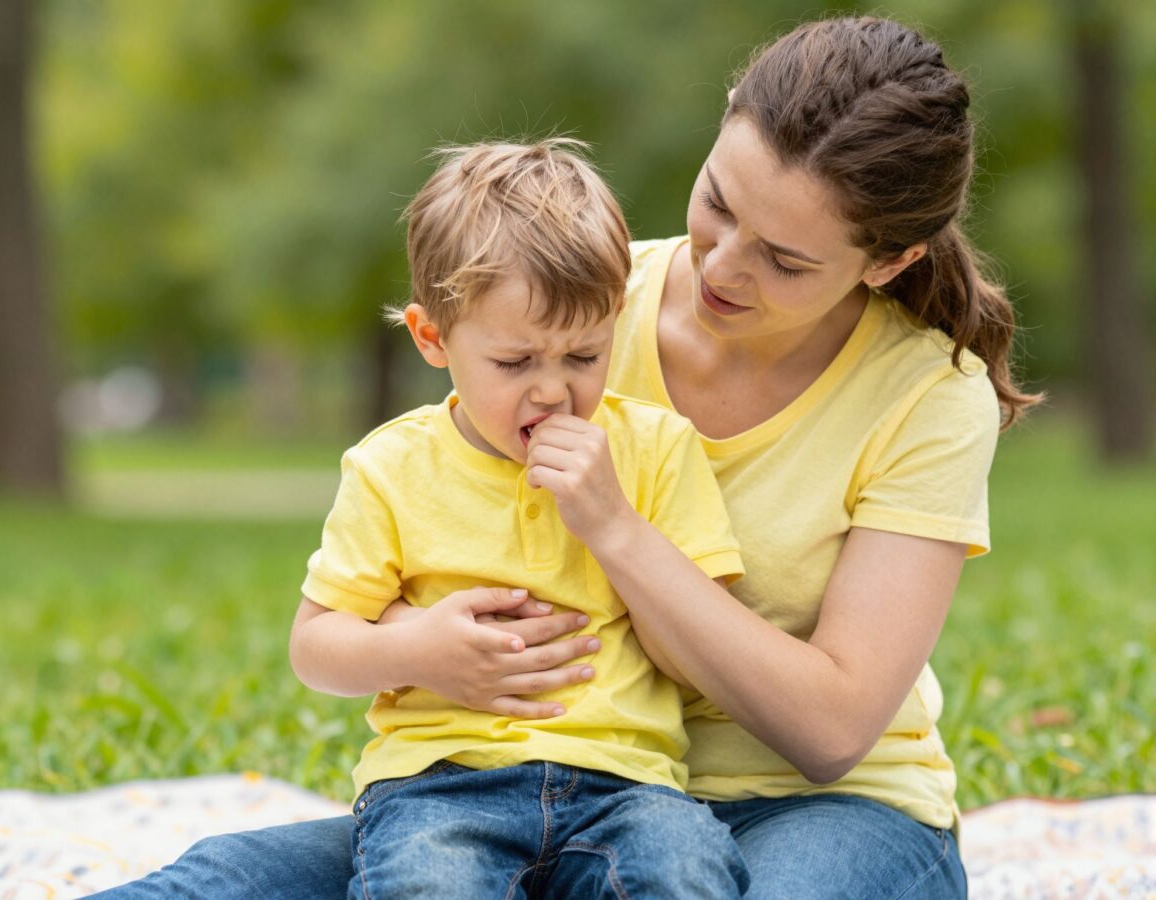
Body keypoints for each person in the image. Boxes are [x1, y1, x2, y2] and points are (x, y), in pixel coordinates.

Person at [92, 15, 1041, 899]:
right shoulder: (576, 302)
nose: (722, 266)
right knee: (228, 880)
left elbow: (833, 731)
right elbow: (429, 524)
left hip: (818, 809)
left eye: (785, 261)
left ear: (889, 261)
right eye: (718, 203)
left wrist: (617, 532)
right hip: (524, 786)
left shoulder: (928, 394)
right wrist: (429, 646)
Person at [99, 141, 751, 899]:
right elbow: (315, 647)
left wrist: (612, 524)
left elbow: (698, 665)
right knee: (426, 882)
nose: (553, 392)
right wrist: (418, 650)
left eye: (584, 356)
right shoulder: (392, 467)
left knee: (684, 869)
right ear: (432, 337)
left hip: (627, 788)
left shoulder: (656, 449)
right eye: (515, 363)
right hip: (442, 786)